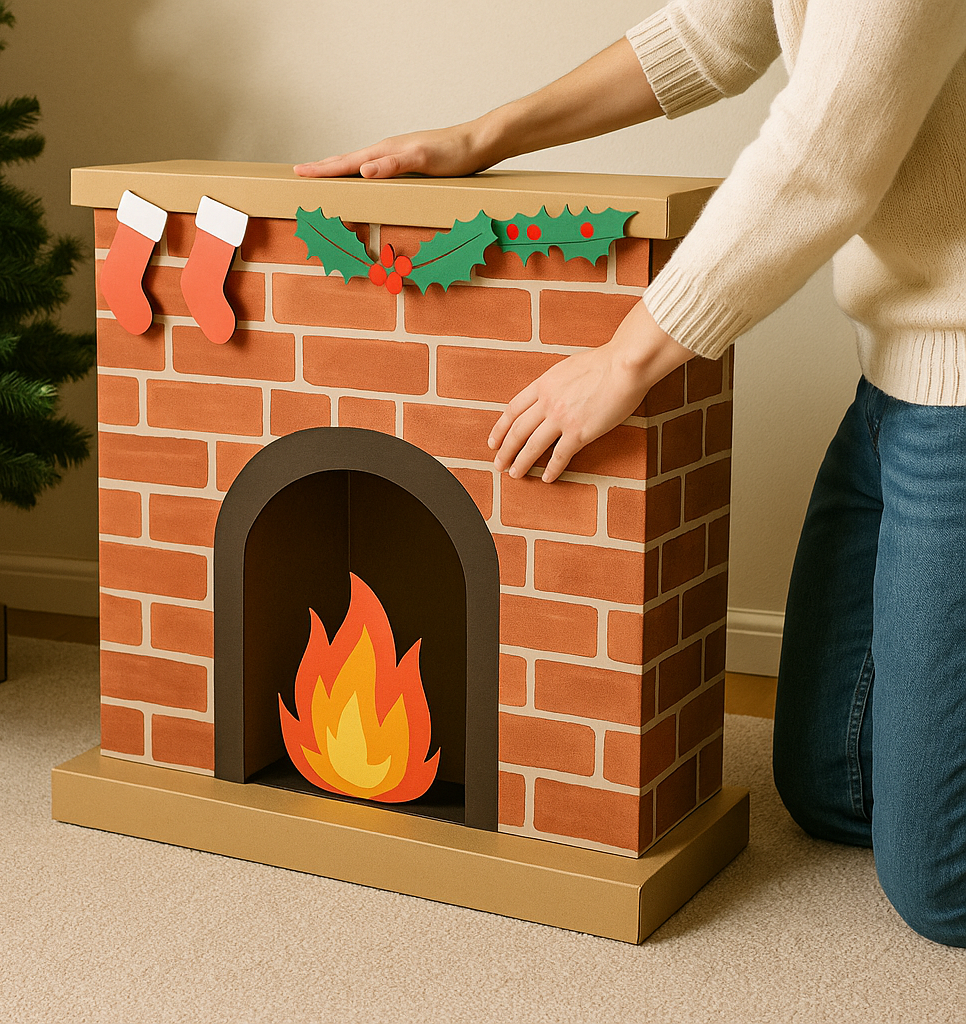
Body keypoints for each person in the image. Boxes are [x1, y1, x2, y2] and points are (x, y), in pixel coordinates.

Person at [295, 0, 966, 947]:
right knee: (831, 784)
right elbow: (710, 34)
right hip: (897, 376)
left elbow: (826, 155)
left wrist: (628, 357)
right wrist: (481, 138)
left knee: (941, 888)